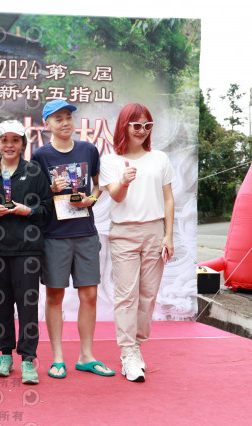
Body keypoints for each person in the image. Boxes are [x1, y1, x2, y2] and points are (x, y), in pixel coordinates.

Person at [31, 99, 114, 379]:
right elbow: (34, 197)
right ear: (47, 125)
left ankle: (86, 356)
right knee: (55, 295)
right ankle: (57, 358)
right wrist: (50, 188)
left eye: (68, 117)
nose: (65, 123)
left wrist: (91, 199)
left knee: (89, 294)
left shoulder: (88, 149)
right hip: (54, 235)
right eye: (58, 119)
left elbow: (98, 185)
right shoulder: (40, 155)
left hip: (85, 233)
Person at [99, 103, 174, 382]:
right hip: (124, 233)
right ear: (124, 126)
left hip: (155, 231)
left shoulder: (159, 158)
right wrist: (124, 181)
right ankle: (128, 352)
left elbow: (168, 198)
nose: (142, 131)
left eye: (147, 125)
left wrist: (168, 235)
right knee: (126, 295)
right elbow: (116, 196)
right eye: (136, 125)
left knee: (148, 295)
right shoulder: (110, 161)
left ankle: (136, 346)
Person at [0, 120, 53, 384]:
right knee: (2, 304)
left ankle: (28, 359)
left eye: (15, 140)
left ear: (23, 144)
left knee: (28, 305)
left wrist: (27, 211)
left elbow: (47, 209)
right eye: (4, 140)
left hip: (27, 250)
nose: (9, 145)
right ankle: (5, 354)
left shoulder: (33, 172)